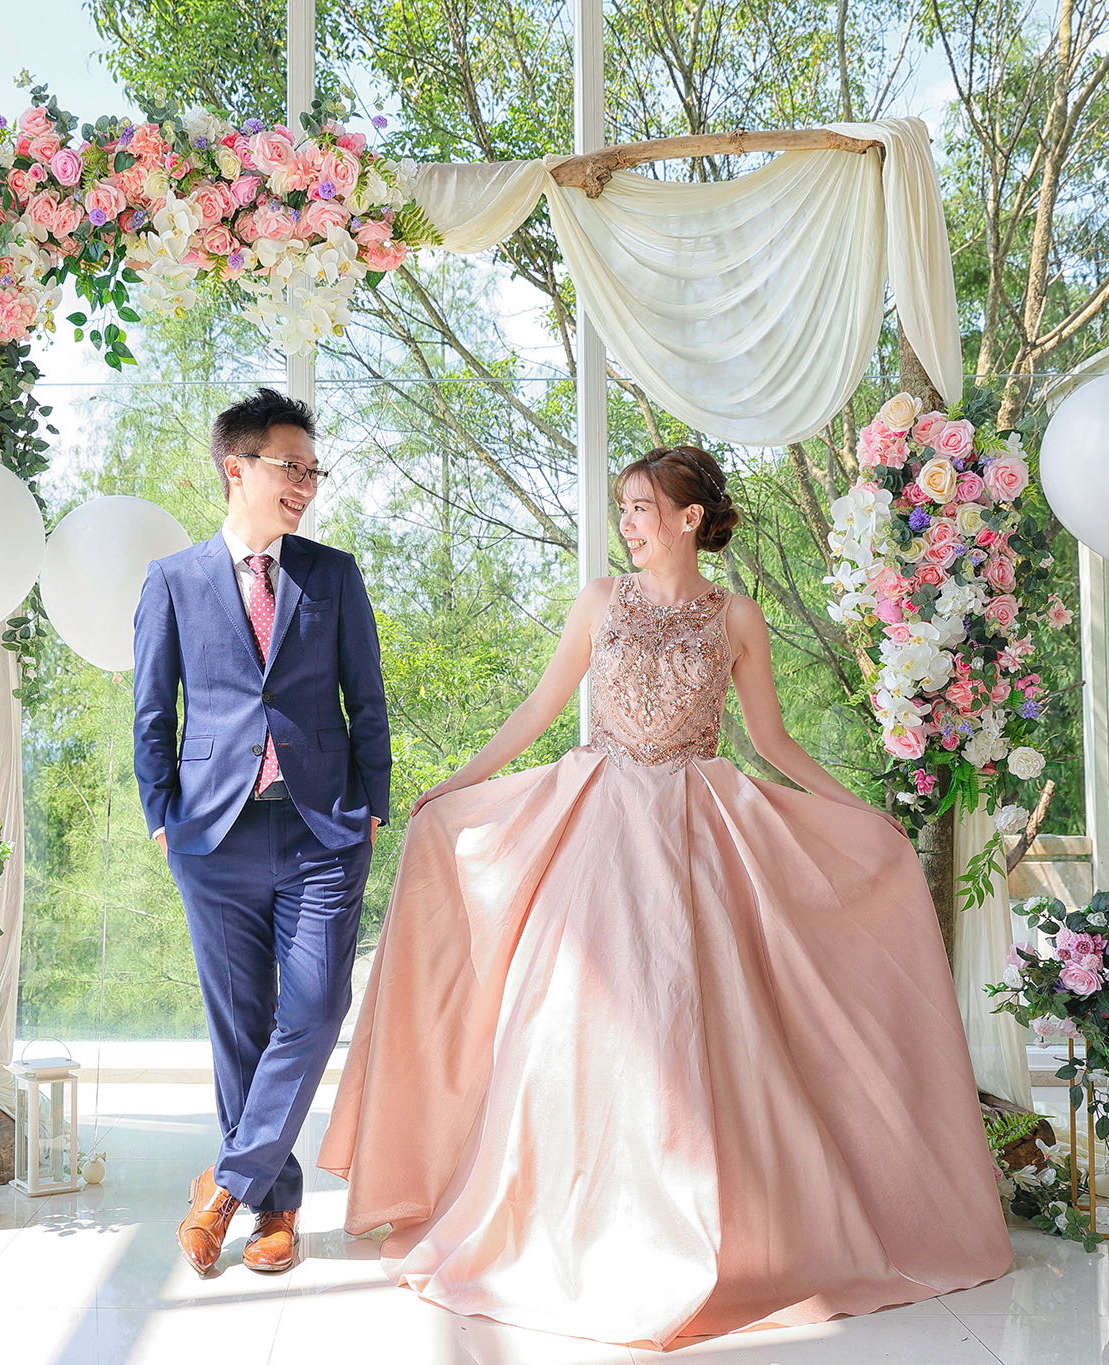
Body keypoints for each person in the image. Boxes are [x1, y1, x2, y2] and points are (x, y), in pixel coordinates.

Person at [319, 444, 1012, 1348]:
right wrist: (457, 784)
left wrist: (860, 813)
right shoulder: (600, 601)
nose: (629, 523)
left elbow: (772, 743)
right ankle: (573, 1226)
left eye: (643, 507)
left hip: (695, 832)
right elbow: (537, 710)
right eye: (624, 506)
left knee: (699, 1026)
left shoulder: (739, 617)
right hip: (599, 826)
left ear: (690, 519)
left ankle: (708, 1221)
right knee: (571, 1025)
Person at [132, 387, 391, 1278]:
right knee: (240, 1024)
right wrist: (161, 816)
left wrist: (373, 803)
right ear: (236, 467)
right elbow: (152, 712)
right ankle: (274, 1206)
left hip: (323, 829)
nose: (307, 485)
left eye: (315, 470)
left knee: (317, 1007)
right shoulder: (172, 580)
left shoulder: (333, 574)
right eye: (292, 466)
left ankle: (223, 1187)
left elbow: (366, 697)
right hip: (214, 833)